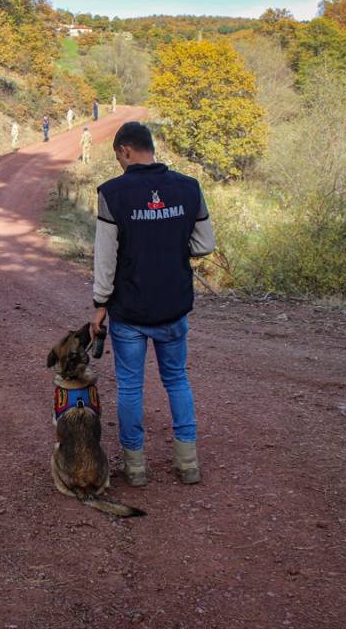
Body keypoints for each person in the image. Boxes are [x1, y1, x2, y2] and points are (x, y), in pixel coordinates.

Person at [89, 122, 215, 488]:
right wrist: (171, 247)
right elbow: (205, 243)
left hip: (129, 310)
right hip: (174, 305)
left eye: (118, 157)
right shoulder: (190, 188)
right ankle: (187, 463)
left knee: (130, 387)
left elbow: (106, 257)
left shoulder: (113, 193)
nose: (119, 164)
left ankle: (136, 468)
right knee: (177, 380)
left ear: (126, 150)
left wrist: (100, 304)